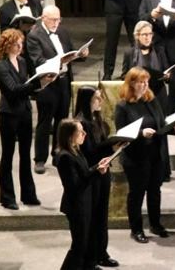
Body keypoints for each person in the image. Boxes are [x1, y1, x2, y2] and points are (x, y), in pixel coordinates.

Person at [116, 67, 175, 243]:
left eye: (146, 82)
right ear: (131, 83)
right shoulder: (123, 106)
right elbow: (121, 134)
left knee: (154, 191)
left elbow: (161, 125)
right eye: (141, 82)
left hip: (155, 154)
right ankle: (136, 229)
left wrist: (174, 129)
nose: (145, 85)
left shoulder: (151, 101)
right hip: (136, 157)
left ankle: (155, 224)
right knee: (137, 194)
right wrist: (140, 133)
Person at [26, 5, 89, 174]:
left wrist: (81, 55)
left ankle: (58, 154)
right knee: (45, 122)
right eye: (53, 20)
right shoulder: (34, 36)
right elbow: (37, 60)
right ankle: (40, 159)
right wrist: (58, 61)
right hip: (47, 84)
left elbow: (70, 52)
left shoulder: (62, 32)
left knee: (62, 121)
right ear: (43, 18)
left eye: (58, 19)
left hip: (63, 82)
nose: (56, 23)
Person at [0, 29, 51, 210]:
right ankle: (7, 197)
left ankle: (28, 194)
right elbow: (13, 90)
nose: (20, 47)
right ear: (7, 45)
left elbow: (25, 89)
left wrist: (43, 84)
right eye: (16, 44)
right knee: (8, 155)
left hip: (24, 113)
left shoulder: (22, 62)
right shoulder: (1, 66)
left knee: (25, 155)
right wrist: (34, 84)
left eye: (21, 43)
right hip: (9, 115)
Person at [54, 119, 112, 270]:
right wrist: (96, 171)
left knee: (87, 241)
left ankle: (88, 266)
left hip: (84, 202)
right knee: (79, 246)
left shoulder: (76, 150)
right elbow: (74, 185)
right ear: (70, 136)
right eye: (80, 131)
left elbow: (84, 173)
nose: (85, 134)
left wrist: (97, 167)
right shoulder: (65, 157)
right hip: (76, 205)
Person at [72, 87, 120, 268]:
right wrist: (111, 148)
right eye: (97, 98)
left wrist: (113, 148)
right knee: (93, 218)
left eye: (100, 98)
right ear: (87, 101)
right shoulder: (80, 124)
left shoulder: (97, 119)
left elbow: (100, 145)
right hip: (92, 173)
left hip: (103, 172)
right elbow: (89, 153)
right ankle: (92, 257)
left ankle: (102, 252)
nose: (100, 101)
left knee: (102, 215)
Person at [120, 21, 171, 112]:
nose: (148, 37)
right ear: (137, 36)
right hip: (138, 96)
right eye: (144, 34)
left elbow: (167, 73)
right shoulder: (129, 53)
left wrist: (168, 76)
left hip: (158, 94)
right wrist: (135, 78)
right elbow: (124, 76)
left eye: (150, 34)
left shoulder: (160, 51)